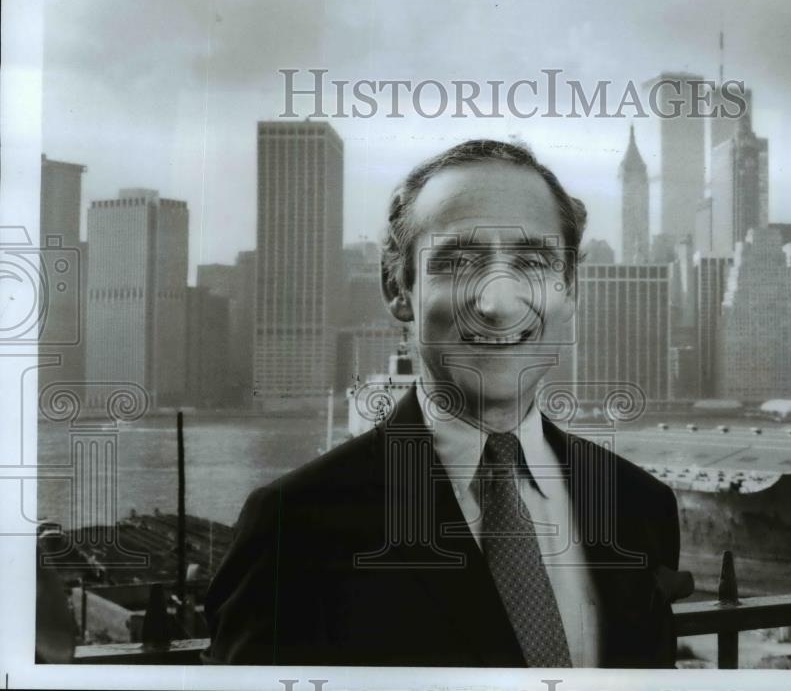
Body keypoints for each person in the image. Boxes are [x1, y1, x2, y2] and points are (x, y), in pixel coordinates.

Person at [204, 139, 682, 667]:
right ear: (398, 288)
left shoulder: (640, 507)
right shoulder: (295, 528)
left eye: (533, 261)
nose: (498, 304)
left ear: (569, 289)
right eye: (458, 262)